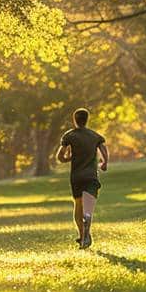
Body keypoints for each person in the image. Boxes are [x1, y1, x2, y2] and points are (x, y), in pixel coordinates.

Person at [56, 107, 108, 249]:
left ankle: (82, 235)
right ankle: (86, 234)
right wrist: (104, 163)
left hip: (76, 177)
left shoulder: (69, 135)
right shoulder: (95, 136)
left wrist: (69, 159)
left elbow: (60, 157)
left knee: (78, 205)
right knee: (88, 207)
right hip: (91, 177)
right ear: (87, 119)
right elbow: (103, 149)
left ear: (75, 120)